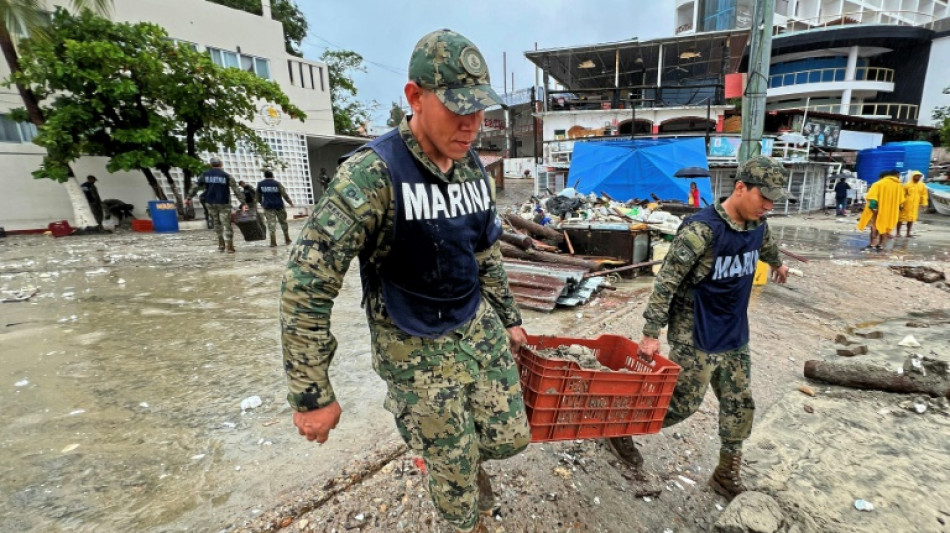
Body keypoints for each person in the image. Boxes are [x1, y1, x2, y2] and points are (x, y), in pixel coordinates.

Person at [280, 29, 530, 533]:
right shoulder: (371, 175)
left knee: (511, 437)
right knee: (456, 485)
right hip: (412, 339)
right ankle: (459, 499)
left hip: (474, 322)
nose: (472, 125)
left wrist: (509, 318)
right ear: (415, 96)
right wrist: (312, 393)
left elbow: (485, 250)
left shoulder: (471, 166)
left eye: (479, 109)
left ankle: (457, 456)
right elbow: (307, 284)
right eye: (458, 109)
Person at [606, 156, 790, 501]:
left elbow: (765, 245)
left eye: (773, 200)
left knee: (739, 403)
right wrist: (650, 333)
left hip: (734, 331)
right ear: (740, 187)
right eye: (763, 197)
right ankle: (618, 427)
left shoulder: (757, 224)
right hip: (695, 333)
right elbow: (666, 282)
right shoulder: (701, 230)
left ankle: (726, 473)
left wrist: (777, 264)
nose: (768, 206)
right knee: (682, 404)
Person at [185, 156, 246, 253]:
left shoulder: (205, 175)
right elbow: (236, 190)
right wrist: (243, 203)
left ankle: (221, 245)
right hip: (224, 203)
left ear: (211, 165)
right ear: (221, 164)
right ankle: (230, 247)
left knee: (216, 223)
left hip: (210, 202)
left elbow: (195, 186)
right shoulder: (227, 176)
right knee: (227, 224)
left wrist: (189, 198)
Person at [857, 169, 905, 251]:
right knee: (884, 228)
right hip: (890, 211)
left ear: (881, 177)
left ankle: (872, 244)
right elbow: (901, 200)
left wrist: (873, 207)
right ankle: (880, 245)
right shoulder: (899, 186)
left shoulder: (878, 184)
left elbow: (873, 198)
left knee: (874, 227)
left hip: (878, 210)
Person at [256, 170, 295, 247]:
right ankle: (287, 239)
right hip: (279, 206)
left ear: (265, 176)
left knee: (271, 224)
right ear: (272, 175)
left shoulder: (260, 184)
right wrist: (290, 202)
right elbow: (284, 194)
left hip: (268, 207)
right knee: (283, 222)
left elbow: (258, 196)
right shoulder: (277, 183)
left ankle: (273, 242)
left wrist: (262, 203)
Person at [896, 170, 928, 237]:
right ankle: (898, 233)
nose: (918, 178)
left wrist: (924, 204)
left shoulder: (922, 185)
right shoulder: (906, 185)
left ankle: (908, 233)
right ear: (913, 176)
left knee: (911, 219)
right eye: (916, 176)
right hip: (906, 204)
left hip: (915, 205)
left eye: (919, 176)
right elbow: (901, 195)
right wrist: (900, 204)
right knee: (900, 218)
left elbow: (924, 195)